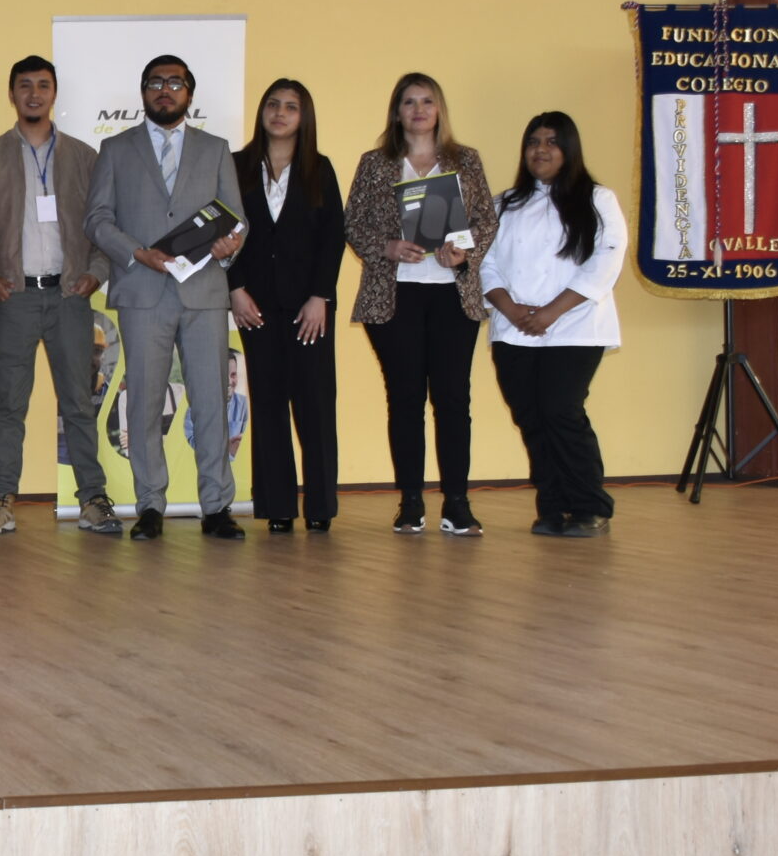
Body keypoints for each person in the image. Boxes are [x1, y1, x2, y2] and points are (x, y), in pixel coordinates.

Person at [83, 55, 249, 541]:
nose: (165, 90)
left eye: (175, 83)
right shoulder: (115, 149)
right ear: (143, 92)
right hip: (142, 290)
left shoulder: (216, 149)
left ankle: (216, 506)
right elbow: (97, 219)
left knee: (211, 400)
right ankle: (150, 505)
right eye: (156, 82)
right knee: (144, 402)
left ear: (189, 93)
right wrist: (137, 253)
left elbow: (237, 220)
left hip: (203, 293)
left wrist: (230, 245)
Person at [0, 56, 119, 538]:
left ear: (54, 93)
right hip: (14, 298)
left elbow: (103, 224)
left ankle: (93, 500)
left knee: (78, 402)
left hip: (70, 296)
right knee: (9, 406)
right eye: (25, 85)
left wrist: (96, 273)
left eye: (43, 85)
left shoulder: (83, 156)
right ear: (11, 94)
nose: (34, 94)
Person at [345, 72, 499, 536]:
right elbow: (352, 223)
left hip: (452, 294)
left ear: (439, 109)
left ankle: (457, 504)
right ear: (397, 111)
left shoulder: (465, 160)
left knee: (453, 399)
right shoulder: (376, 163)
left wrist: (463, 250)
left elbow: (486, 220)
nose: (418, 110)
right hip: (395, 297)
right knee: (405, 398)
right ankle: (410, 502)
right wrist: (387, 247)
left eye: (427, 101)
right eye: (409, 102)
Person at [484, 112, 627, 537]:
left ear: (569, 149)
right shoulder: (503, 204)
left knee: (561, 411)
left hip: (575, 326)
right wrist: (510, 309)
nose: (540, 150)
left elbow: (606, 261)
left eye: (551, 142)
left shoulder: (598, 199)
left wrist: (551, 312)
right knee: (530, 417)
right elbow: (485, 263)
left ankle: (590, 506)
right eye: (533, 142)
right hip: (513, 328)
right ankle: (552, 506)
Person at [226, 79, 347, 534]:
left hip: (308, 308)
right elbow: (223, 232)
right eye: (273, 104)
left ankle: (320, 506)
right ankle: (277, 505)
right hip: (254, 304)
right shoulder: (236, 166)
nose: (280, 113)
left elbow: (333, 237)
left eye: (291, 107)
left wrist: (321, 296)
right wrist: (235, 288)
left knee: (315, 405)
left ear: (303, 116)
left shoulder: (320, 168)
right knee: (269, 403)